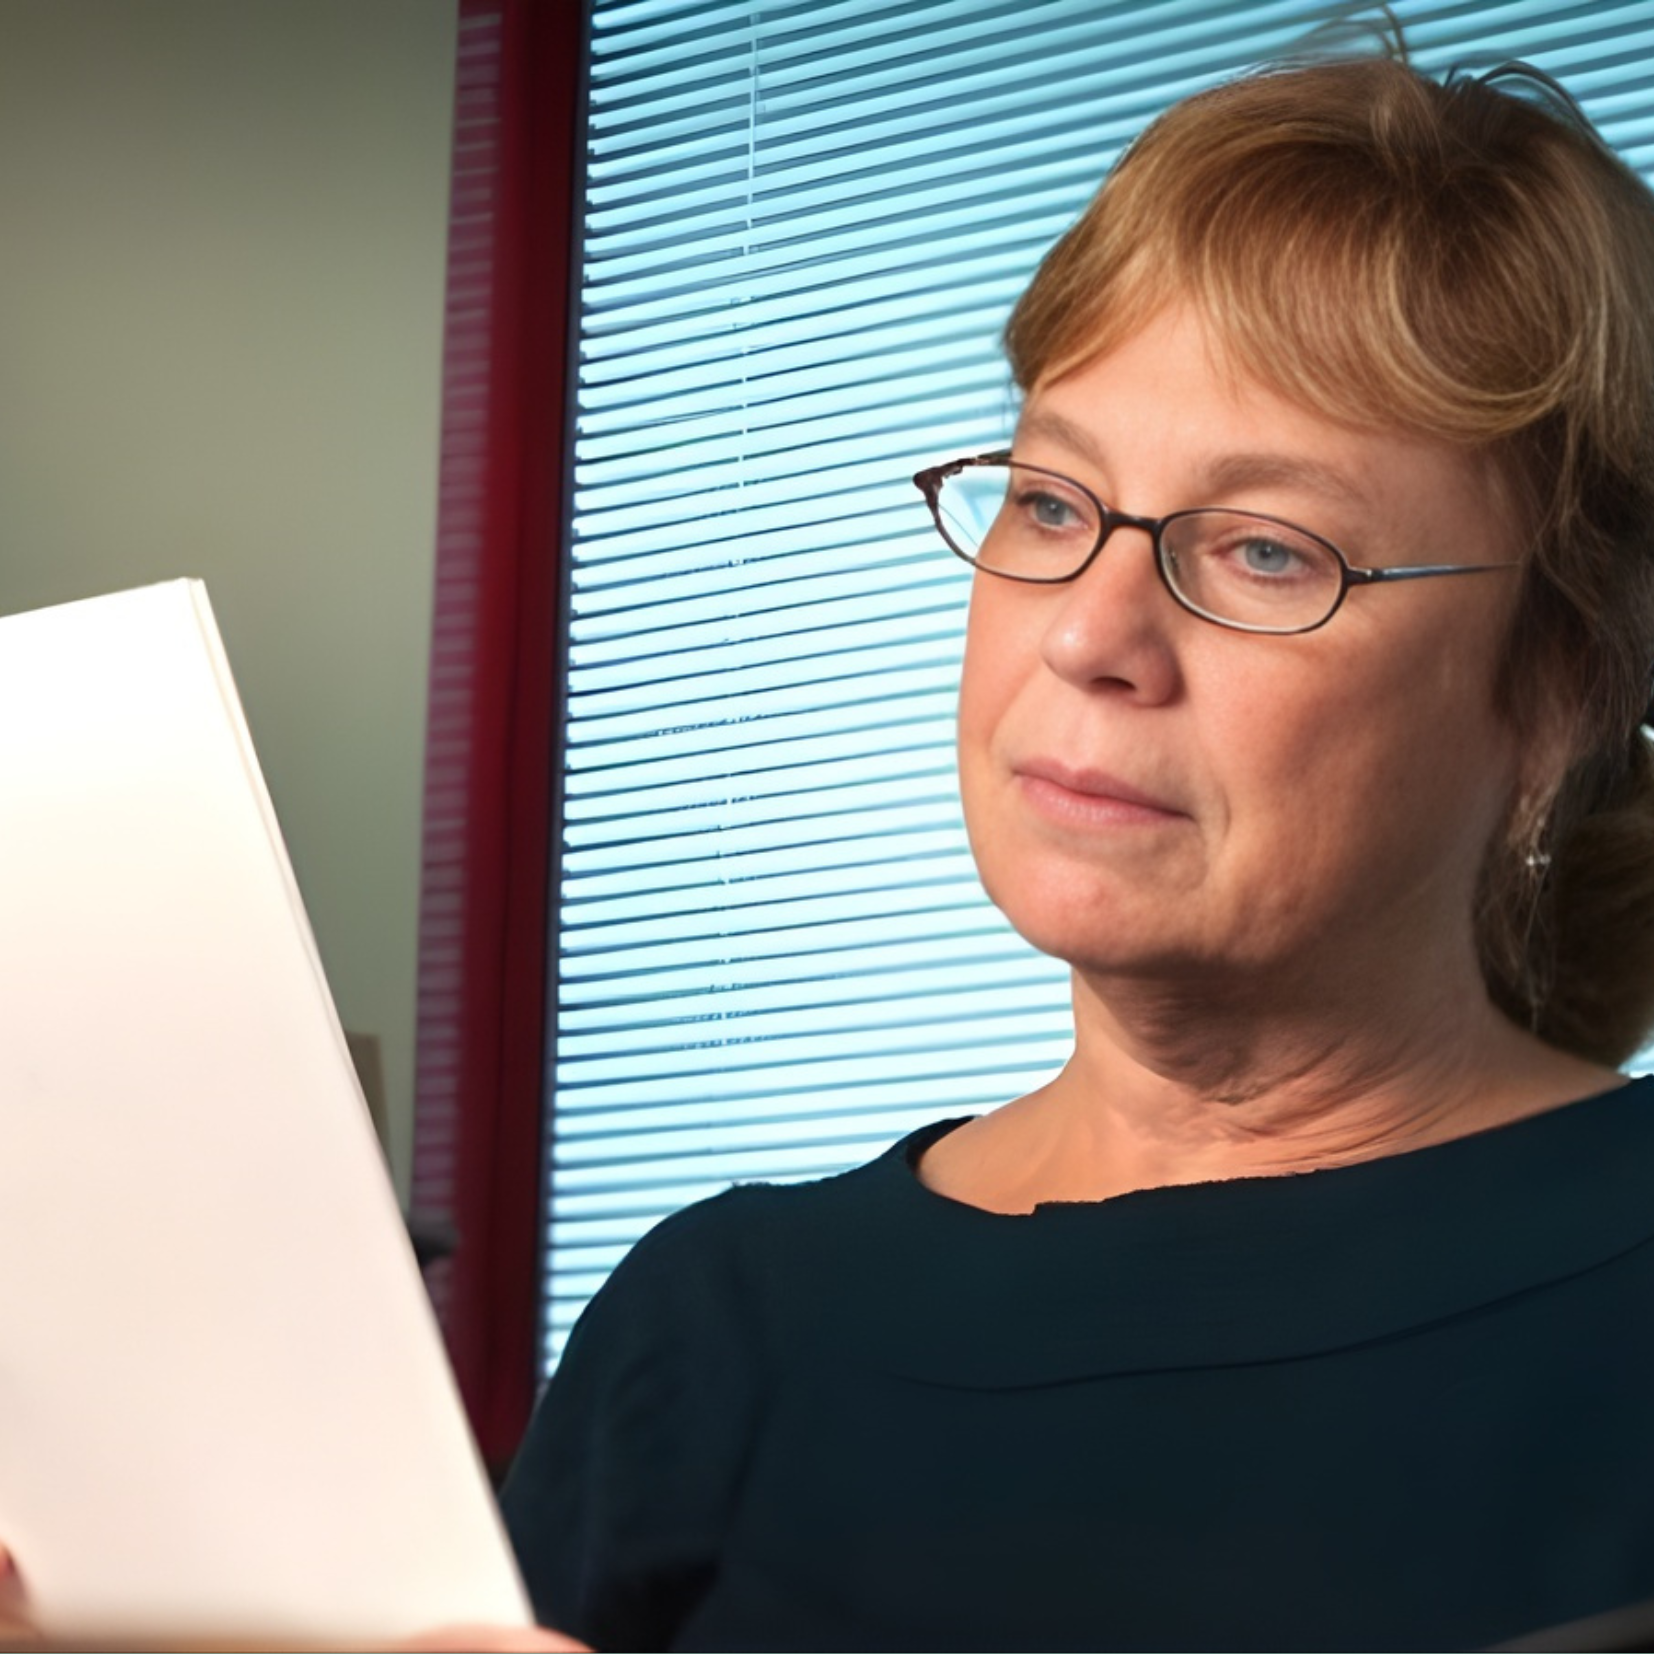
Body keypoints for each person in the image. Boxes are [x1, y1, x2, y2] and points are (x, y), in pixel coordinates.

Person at [505, 36, 1654, 1654]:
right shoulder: (713, 1323)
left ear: (1555, 691)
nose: (1090, 634)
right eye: (1050, 504)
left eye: (1264, 548)